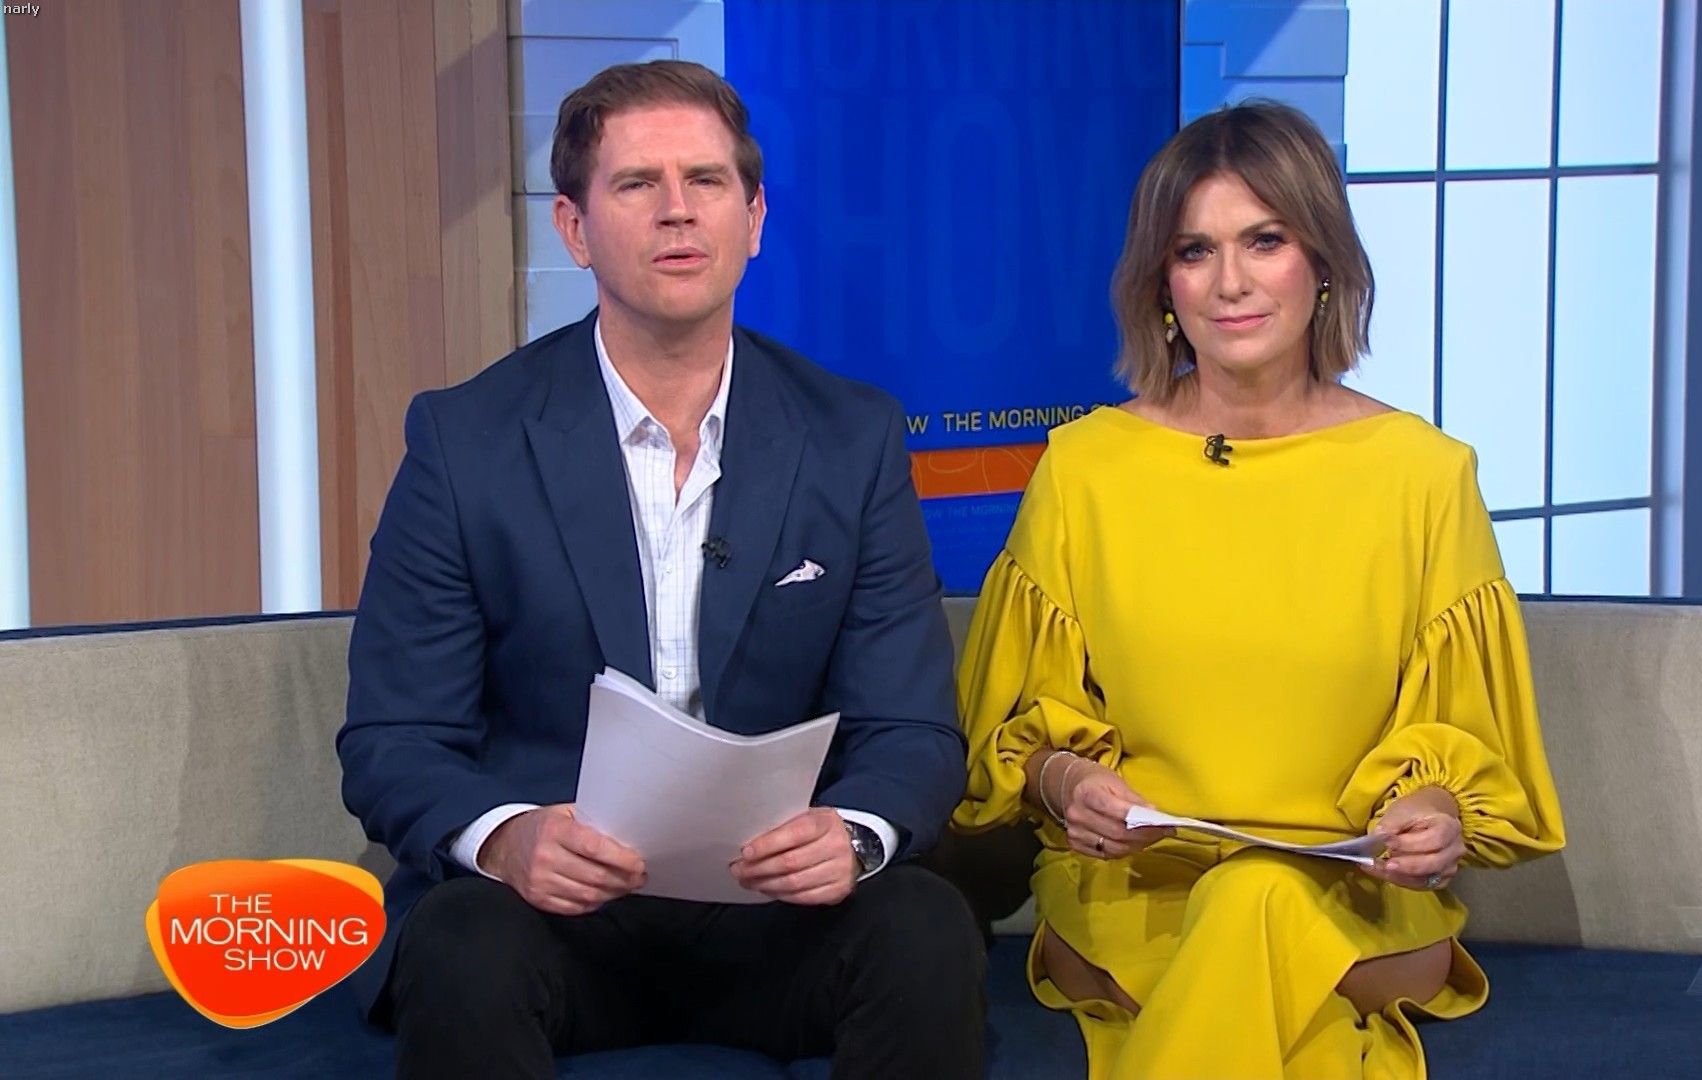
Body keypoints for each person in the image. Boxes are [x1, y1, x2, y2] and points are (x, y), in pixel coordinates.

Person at [337, 60, 984, 1079]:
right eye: (638, 183)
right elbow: (394, 740)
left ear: (754, 218)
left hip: (777, 911)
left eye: (707, 181)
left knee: (926, 929)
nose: (677, 211)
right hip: (556, 913)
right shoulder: (467, 442)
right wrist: (508, 840)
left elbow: (911, 729)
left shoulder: (850, 438)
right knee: (461, 945)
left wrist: (854, 834)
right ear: (574, 227)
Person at [952, 101, 1566, 1078]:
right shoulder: (1085, 470)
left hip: (1353, 912)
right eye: (1195, 250)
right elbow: (1013, 732)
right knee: (1241, 918)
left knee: (1258, 898)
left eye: (1265, 241)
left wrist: (1436, 814)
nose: (1230, 281)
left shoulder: (1423, 476)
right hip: (1138, 902)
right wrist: (1067, 784)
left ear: (1322, 260)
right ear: (1162, 281)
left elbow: (1465, 744)